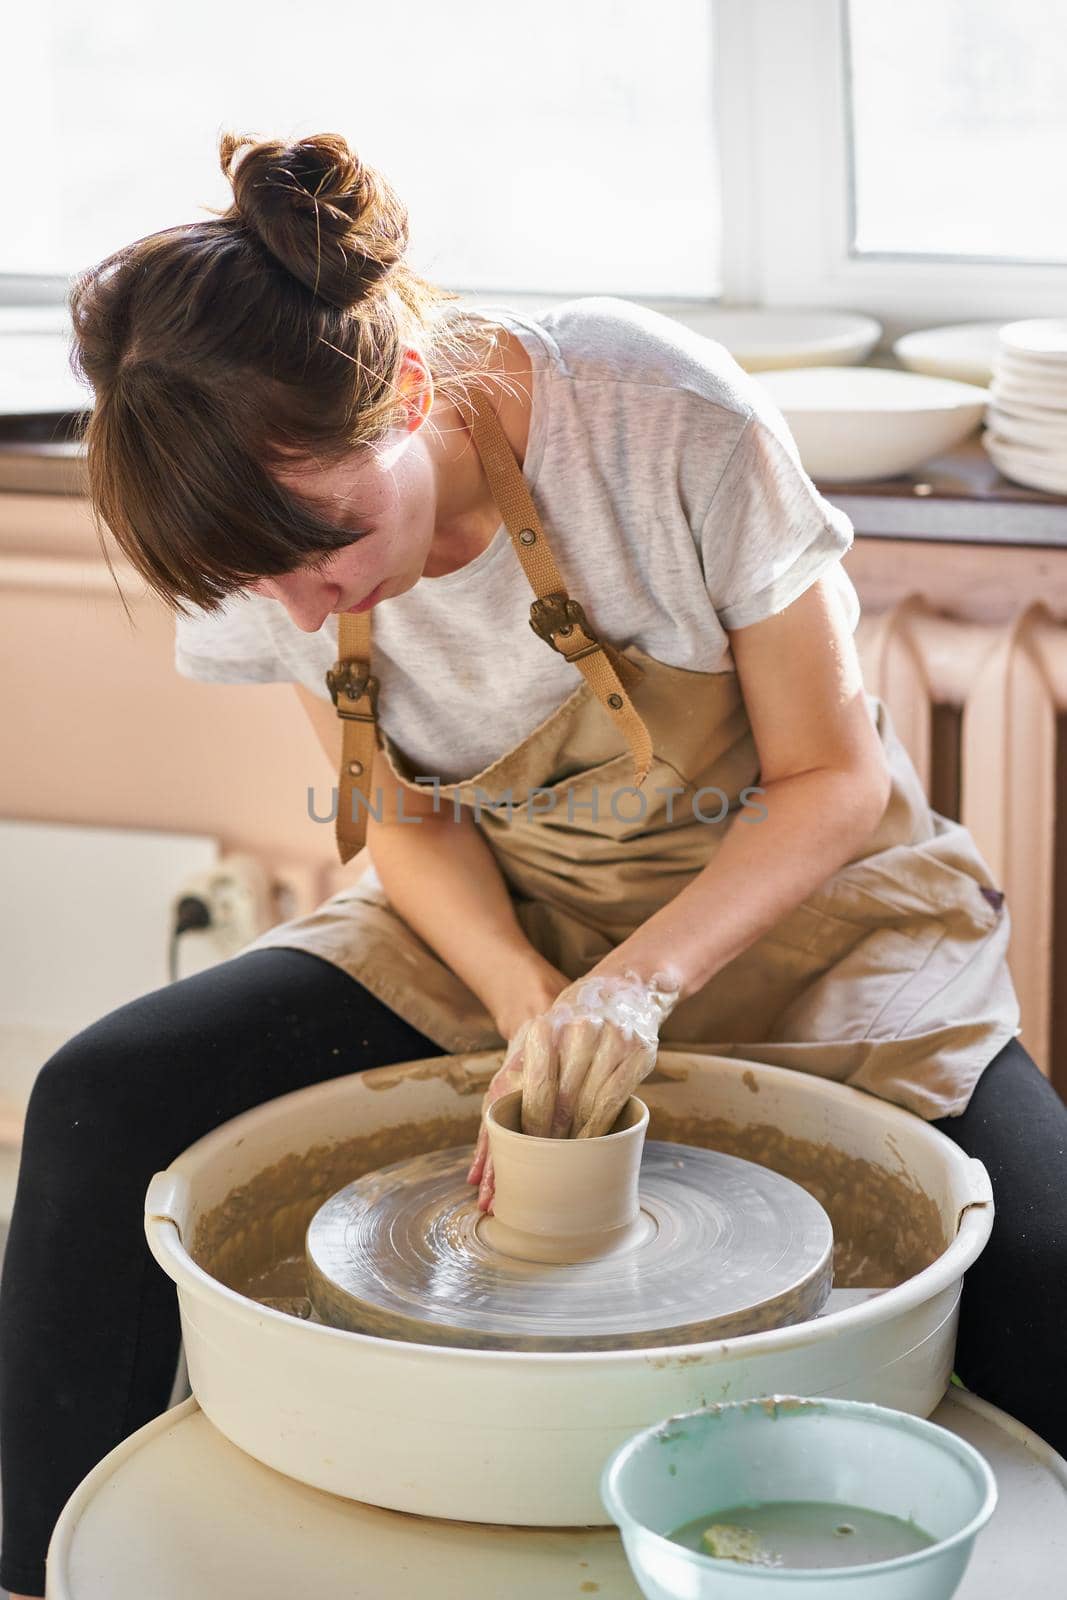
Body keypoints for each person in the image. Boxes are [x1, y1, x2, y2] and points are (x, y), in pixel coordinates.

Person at [0, 128, 1063, 1599]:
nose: (315, 608)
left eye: (333, 547)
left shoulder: (655, 416)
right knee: (99, 1100)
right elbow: (406, 818)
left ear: (414, 391)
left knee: (1050, 1282)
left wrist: (630, 993)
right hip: (499, 904)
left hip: (811, 909)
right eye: (269, 585)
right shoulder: (267, 545)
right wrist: (520, 995)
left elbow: (833, 780)